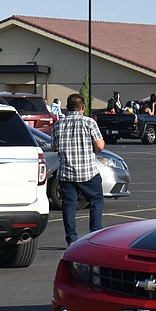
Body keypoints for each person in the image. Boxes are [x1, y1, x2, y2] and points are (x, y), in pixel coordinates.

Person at [52, 93, 105, 246]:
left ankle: (71, 239)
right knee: (96, 200)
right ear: (82, 107)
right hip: (87, 172)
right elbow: (100, 146)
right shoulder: (89, 122)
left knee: (69, 205)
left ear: (68, 108)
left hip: (66, 172)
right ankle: (95, 234)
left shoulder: (59, 124)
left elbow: (53, 147)